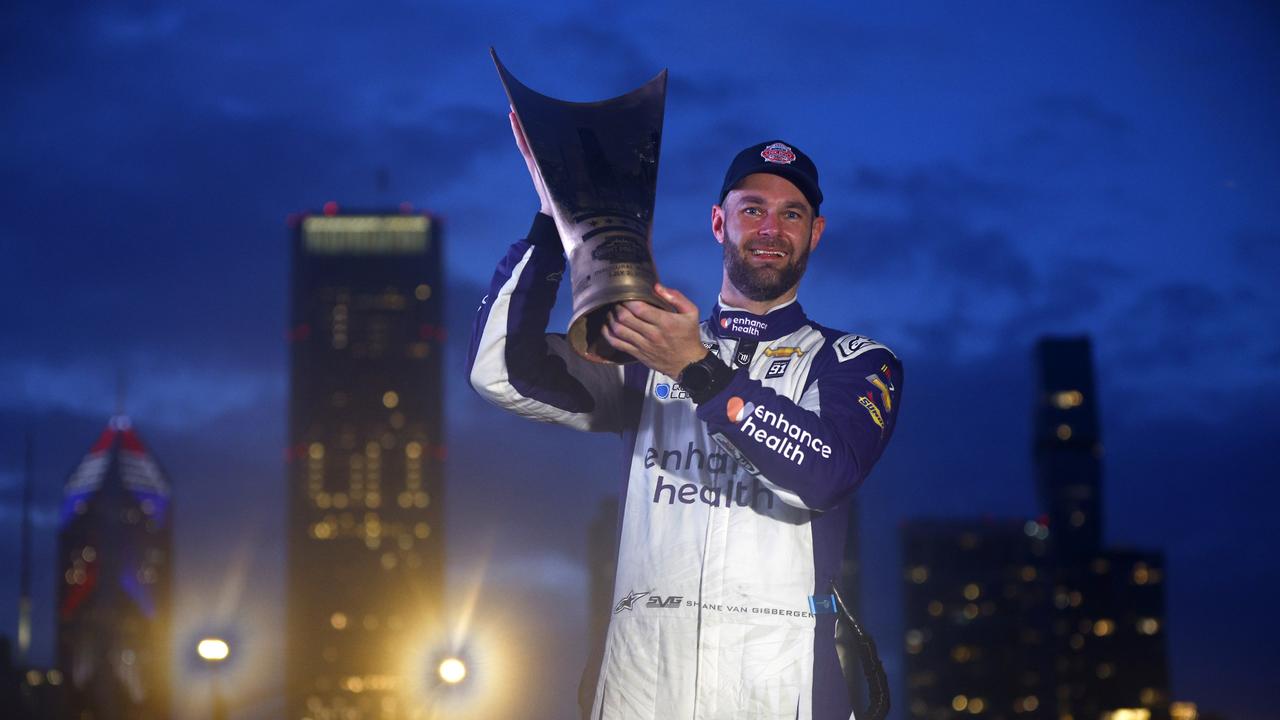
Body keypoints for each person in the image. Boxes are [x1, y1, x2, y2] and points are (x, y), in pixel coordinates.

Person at [468, 113, 903, 720]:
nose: (771, 228)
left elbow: (828, 474)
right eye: (752, 209)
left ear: (816, 232)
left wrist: (696, 368)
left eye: (792, 214)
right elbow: (500, 369)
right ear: (718, 221)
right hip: (640, 686)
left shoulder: (853, 360)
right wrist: (554, 220)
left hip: (783, 691)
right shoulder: (648, 352)